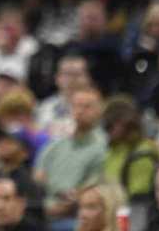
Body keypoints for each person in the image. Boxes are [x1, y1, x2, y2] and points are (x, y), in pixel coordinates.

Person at [34, 87, 107, 231]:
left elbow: (93, 188)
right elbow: (38, 179)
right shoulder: (55, 145)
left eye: (87, 106)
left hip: (77, 215)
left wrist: (63, 206)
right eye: (76, 106)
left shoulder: (103, 147)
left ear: (99, 111)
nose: (80, 111)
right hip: (44, 211)